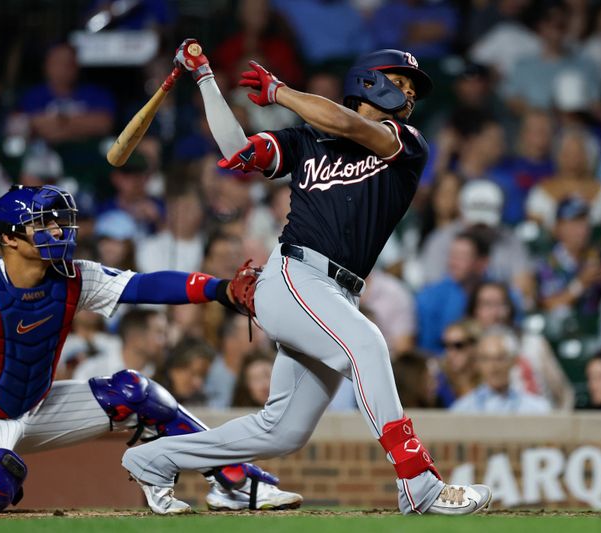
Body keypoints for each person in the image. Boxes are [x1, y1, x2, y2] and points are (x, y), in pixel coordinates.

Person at [122, 40, 492, 516]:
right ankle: (418, 482)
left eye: (410, 88)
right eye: (398, 83)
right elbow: (239, 152)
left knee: (283, 430)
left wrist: (280, 91)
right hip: (296, 273)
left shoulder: (407, 142)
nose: (408, 94)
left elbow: (346, 122)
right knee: (367, 347)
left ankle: (153, 459)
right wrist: (207, 79)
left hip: (337, 291)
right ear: (368, 83)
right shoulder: (305, 141)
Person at [0, 184, 300, 514]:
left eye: (58, 222)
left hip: (34, 405)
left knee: (137, 394)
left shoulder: (72, 276)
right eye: (42, 225)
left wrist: (220, 290)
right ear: (8, 239)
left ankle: (234, 481)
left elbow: (144, 286)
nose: (57, 230)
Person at [466, 281, 574, 411]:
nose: (495, 312)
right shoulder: (466, 350)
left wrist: (559, 427)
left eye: (501, 304)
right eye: (487, 305)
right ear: (474, 311)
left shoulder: (533, 344)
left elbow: (563, 393)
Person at [526, 129, 601, 229]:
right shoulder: (541, 191)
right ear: (558, 155)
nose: (573, 159)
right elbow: (532, 229)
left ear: (589, 156)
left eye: (578, 153)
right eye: (567, 153)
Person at [450, 327, 552, 414]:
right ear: (478, 363)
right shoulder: (462, 410)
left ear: (513, 361)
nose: (493, 367)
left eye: (500, 358)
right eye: (486, 359)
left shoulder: (537, 409)